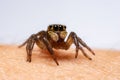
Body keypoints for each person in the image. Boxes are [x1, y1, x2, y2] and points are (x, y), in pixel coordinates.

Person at [0, 45, 120, 80]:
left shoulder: (67, 38)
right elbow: (35, 37)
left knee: (74, 35)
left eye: (61, 30)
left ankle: (85, 52)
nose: (57, 33)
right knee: (35, 35)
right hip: (46, 45)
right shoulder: (44, 36)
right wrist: (29, 55)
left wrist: (82, 52)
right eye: (54, 30)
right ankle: (29, 55)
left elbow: (75, 38)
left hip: (63, 46)